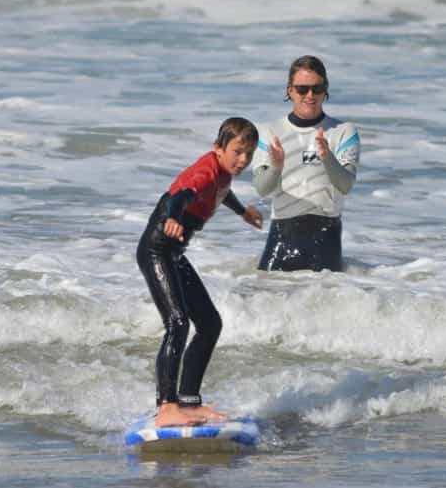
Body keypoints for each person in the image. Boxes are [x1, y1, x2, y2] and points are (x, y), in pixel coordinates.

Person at [136, 117, 263, 427]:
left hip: (173, 253)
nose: (243, 160)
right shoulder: (205, 172)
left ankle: (189, 401)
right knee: (177, 323)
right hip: (157, 249)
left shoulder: (222, 173)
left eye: (249, 153)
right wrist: (174, 217)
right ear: (218, 148)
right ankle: (167, 407)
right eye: (237, 152)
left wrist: (243, 211)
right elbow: (184, 194)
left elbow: (222, 191)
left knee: (209, 324)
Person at [251, 55, 360, 272]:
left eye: (316, 89)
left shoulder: (343, 131)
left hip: (325, 236)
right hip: (281, 234)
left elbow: (345, 185)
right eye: (302, 89)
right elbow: (262, 189)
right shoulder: (269, 132)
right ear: (290, 90)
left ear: (325, 90)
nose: (310, 95)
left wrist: (327, 156)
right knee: (264, 297)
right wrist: (276, 167)